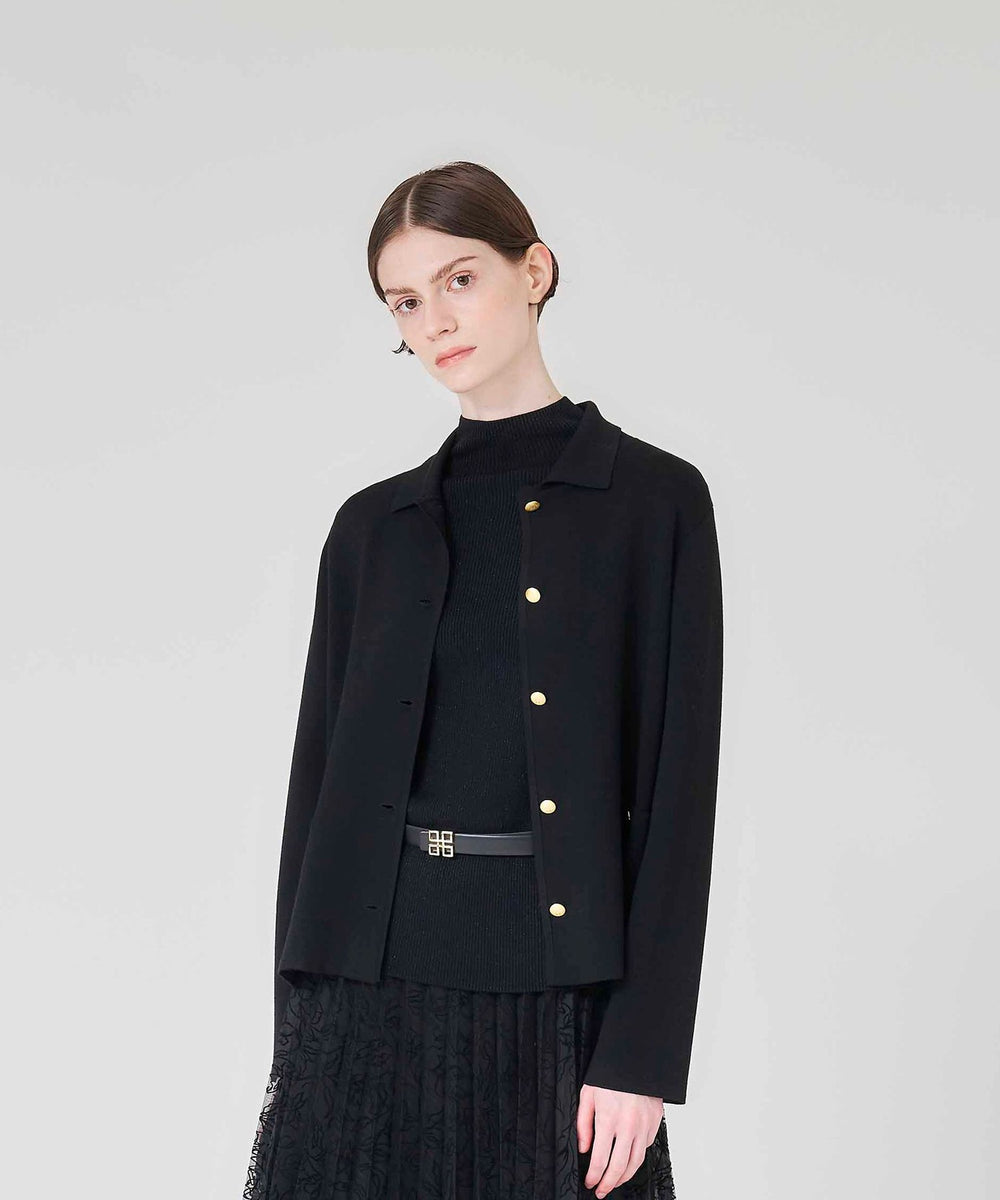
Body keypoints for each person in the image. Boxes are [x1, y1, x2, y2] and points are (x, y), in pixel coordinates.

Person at [243, 160, 724, 1199]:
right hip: (366, 997)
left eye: (459, 280)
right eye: (405, 302)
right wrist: (298, 1028)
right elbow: (317, 795)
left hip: (561, 1008)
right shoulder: (372, 529)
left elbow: (677, 797)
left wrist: (641, 1056)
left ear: (534, 271)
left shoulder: (653, 503)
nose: (435, 322)